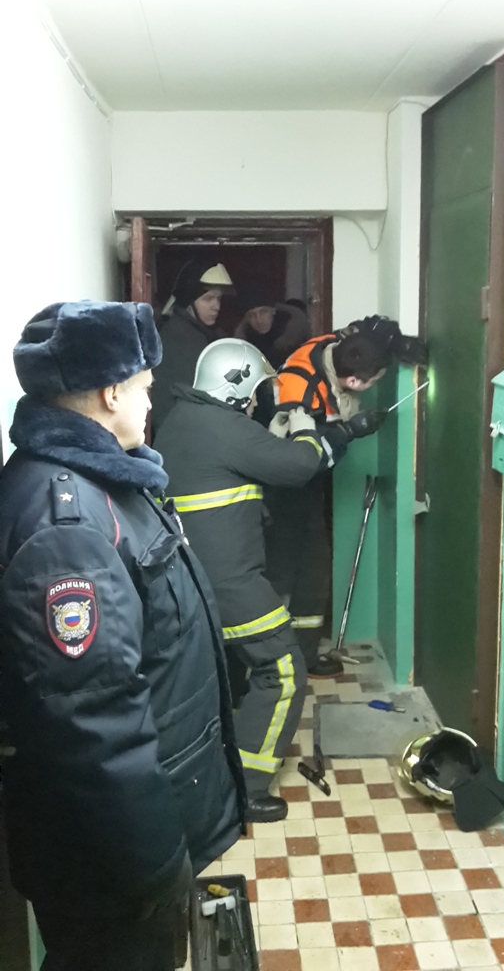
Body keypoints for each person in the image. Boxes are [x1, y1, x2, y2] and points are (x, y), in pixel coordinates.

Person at [0, 301, 245, 971]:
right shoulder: (68, 526)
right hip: (115, 859)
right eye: (144, 386)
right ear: (111, 392)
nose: (150, 400)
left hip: (133, 829)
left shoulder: (109, 479)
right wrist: (154, 864)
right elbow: (92, 725)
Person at [154, 338, 330, 823]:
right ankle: (247, 788)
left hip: (193, 578)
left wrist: (266, 436)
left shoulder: (182, 419)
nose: (257, 402)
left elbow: (238, 462)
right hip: (229, 581)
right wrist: (305, 431)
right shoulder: (225, 426)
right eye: (255, 393)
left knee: (229, 676)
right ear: (235, 388)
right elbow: (300, 466)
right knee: (284, 670)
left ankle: (218, 762)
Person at [265, 316, 427, 677]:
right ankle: (270, 661)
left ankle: (304, 656)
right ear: (353, 382)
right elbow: (298, 463)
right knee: (283, 572)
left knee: (314, 569)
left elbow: (367, 328)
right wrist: (349, 432)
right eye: (374, 380)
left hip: (305, 487)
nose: (373, 386)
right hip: (282, 489)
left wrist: (397, 345)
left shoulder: (332, 346)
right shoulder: (298, 395)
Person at [151, 260, 234, 435]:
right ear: (188, 300)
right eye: (208, 298)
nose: (216, 306)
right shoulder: (181, 339)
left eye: (218, 298)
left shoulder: (196, 333)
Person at [234, 286, 310, 369]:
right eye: (252, 315)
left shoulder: (295, 336)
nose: (259, 320)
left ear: (273, 311)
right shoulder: (246, 343)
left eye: (263, 312)